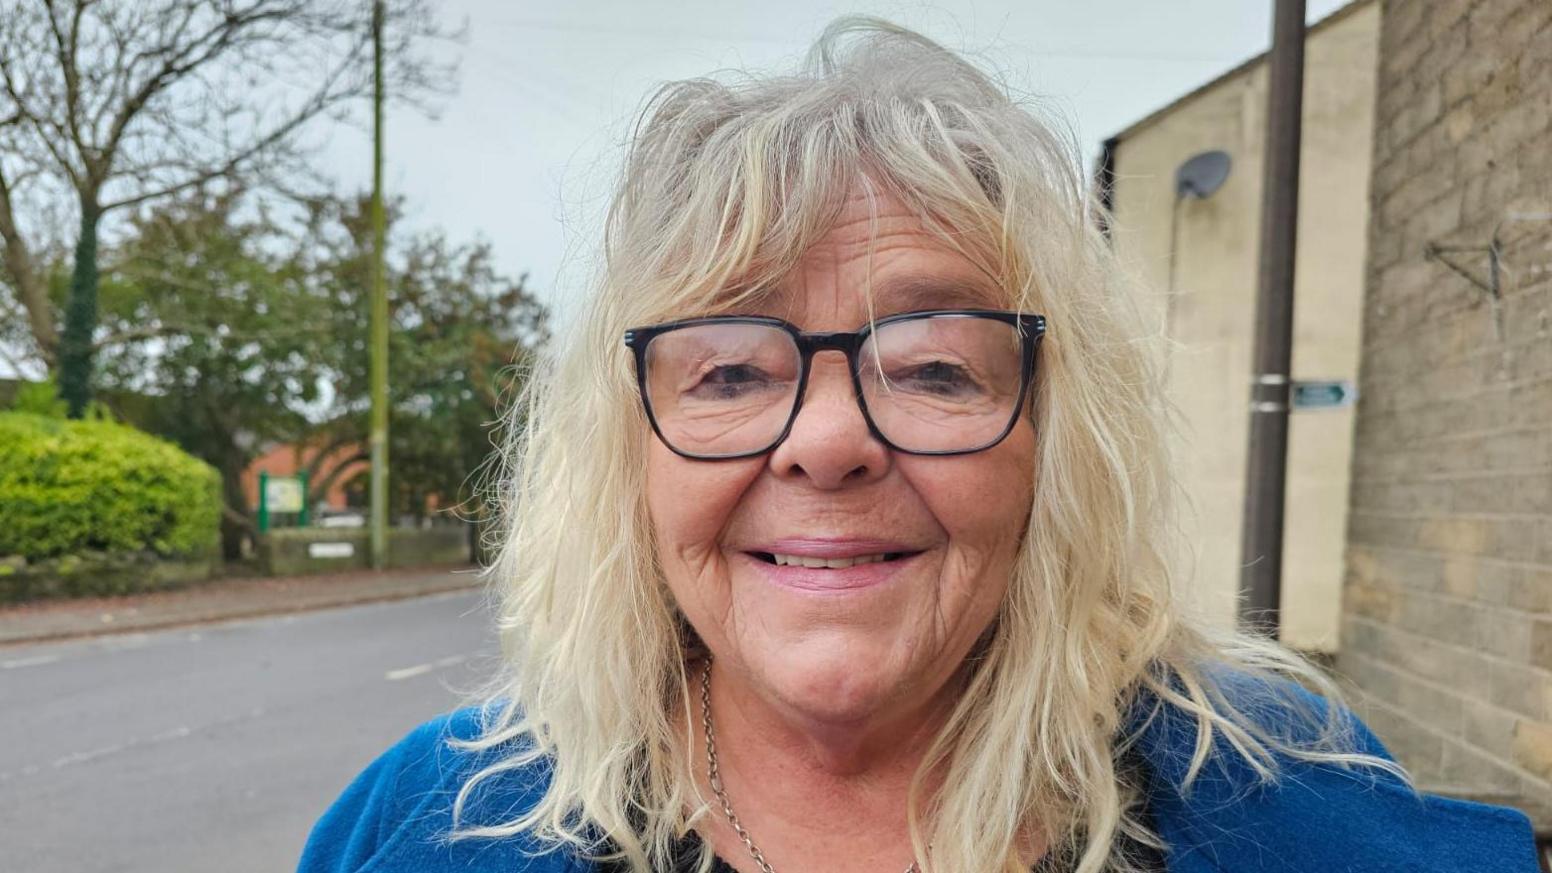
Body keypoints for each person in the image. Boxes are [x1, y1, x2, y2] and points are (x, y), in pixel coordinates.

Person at [298, 18, 1538, 873]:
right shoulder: (423, 825)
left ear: (1058, 438)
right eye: (729, 370)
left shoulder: (1304, 805)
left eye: (935, 365)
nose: (827, 443)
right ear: (625, 453)